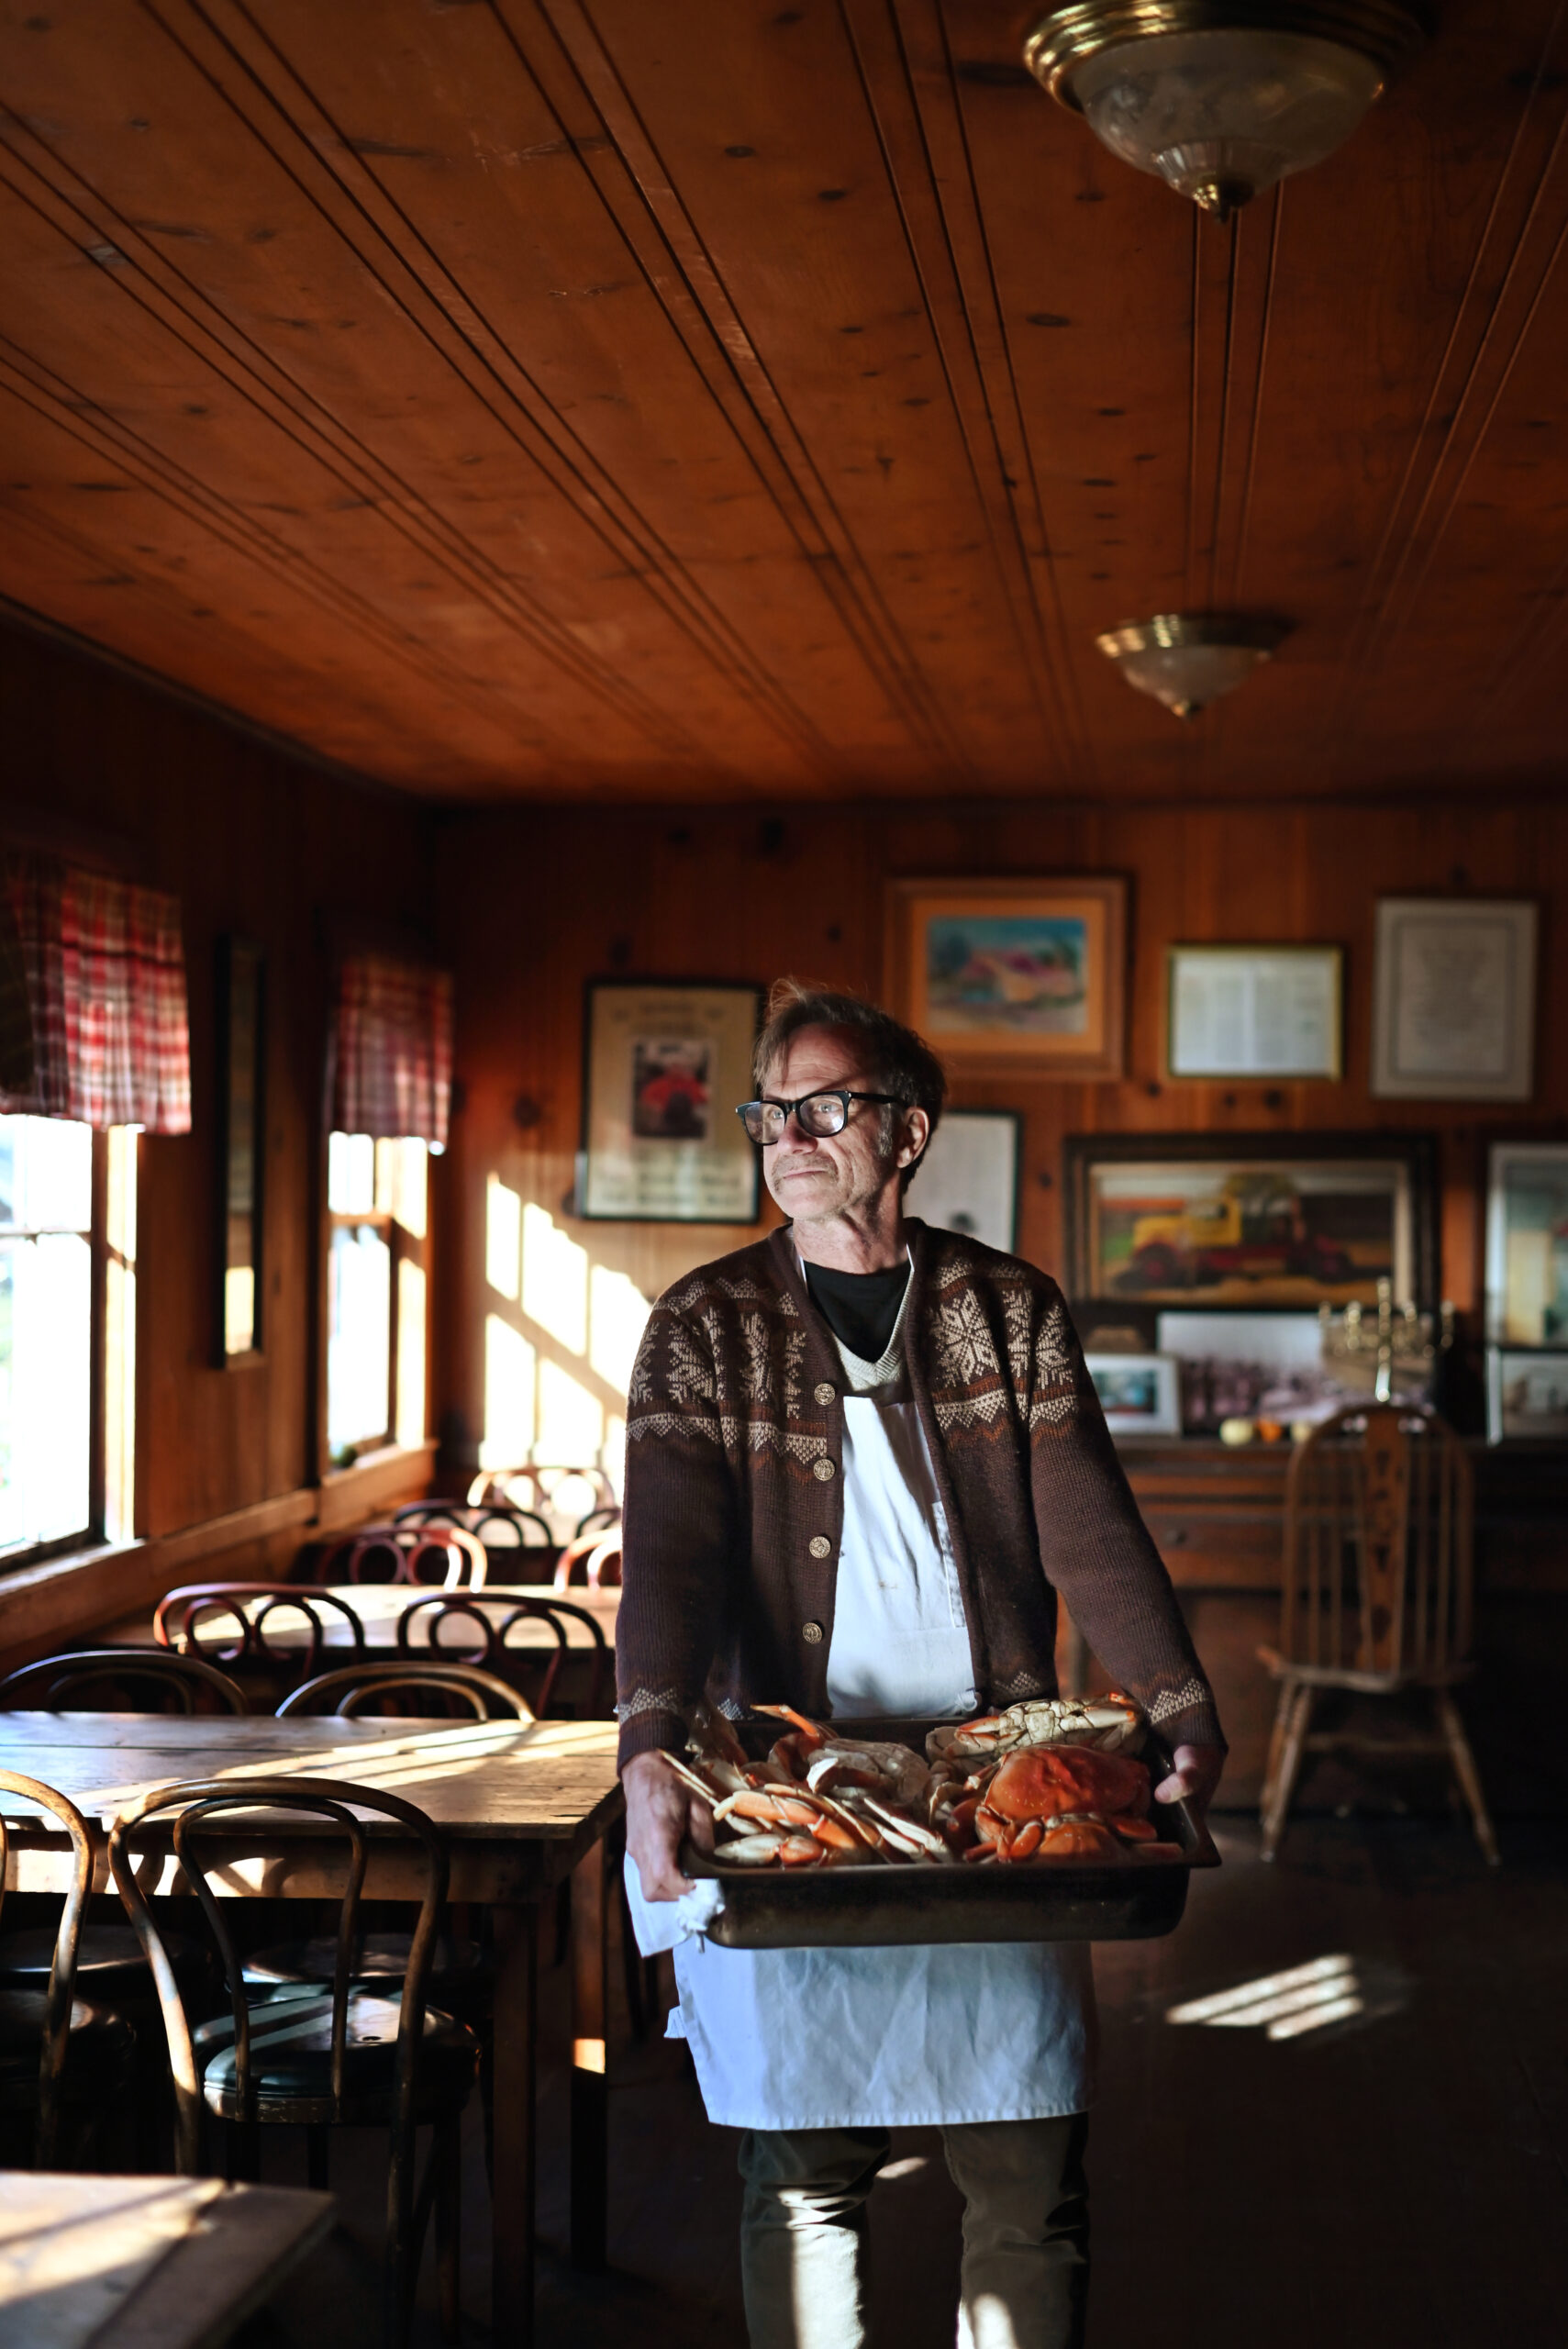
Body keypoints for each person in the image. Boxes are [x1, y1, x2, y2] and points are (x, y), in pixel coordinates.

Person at [617, 981, 1225, 2349]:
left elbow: (1091, 1528)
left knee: (1024, 2160)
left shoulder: (1006, 1311)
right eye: (772, 1108)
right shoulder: (703, 1323)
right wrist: (650, 1753)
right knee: (804, 2174)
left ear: (907, 1131)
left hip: (988, 1800)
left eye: (825, 1104)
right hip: (798, 1803)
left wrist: (1180, 1710)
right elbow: (669, 1560)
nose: (789, 1132)